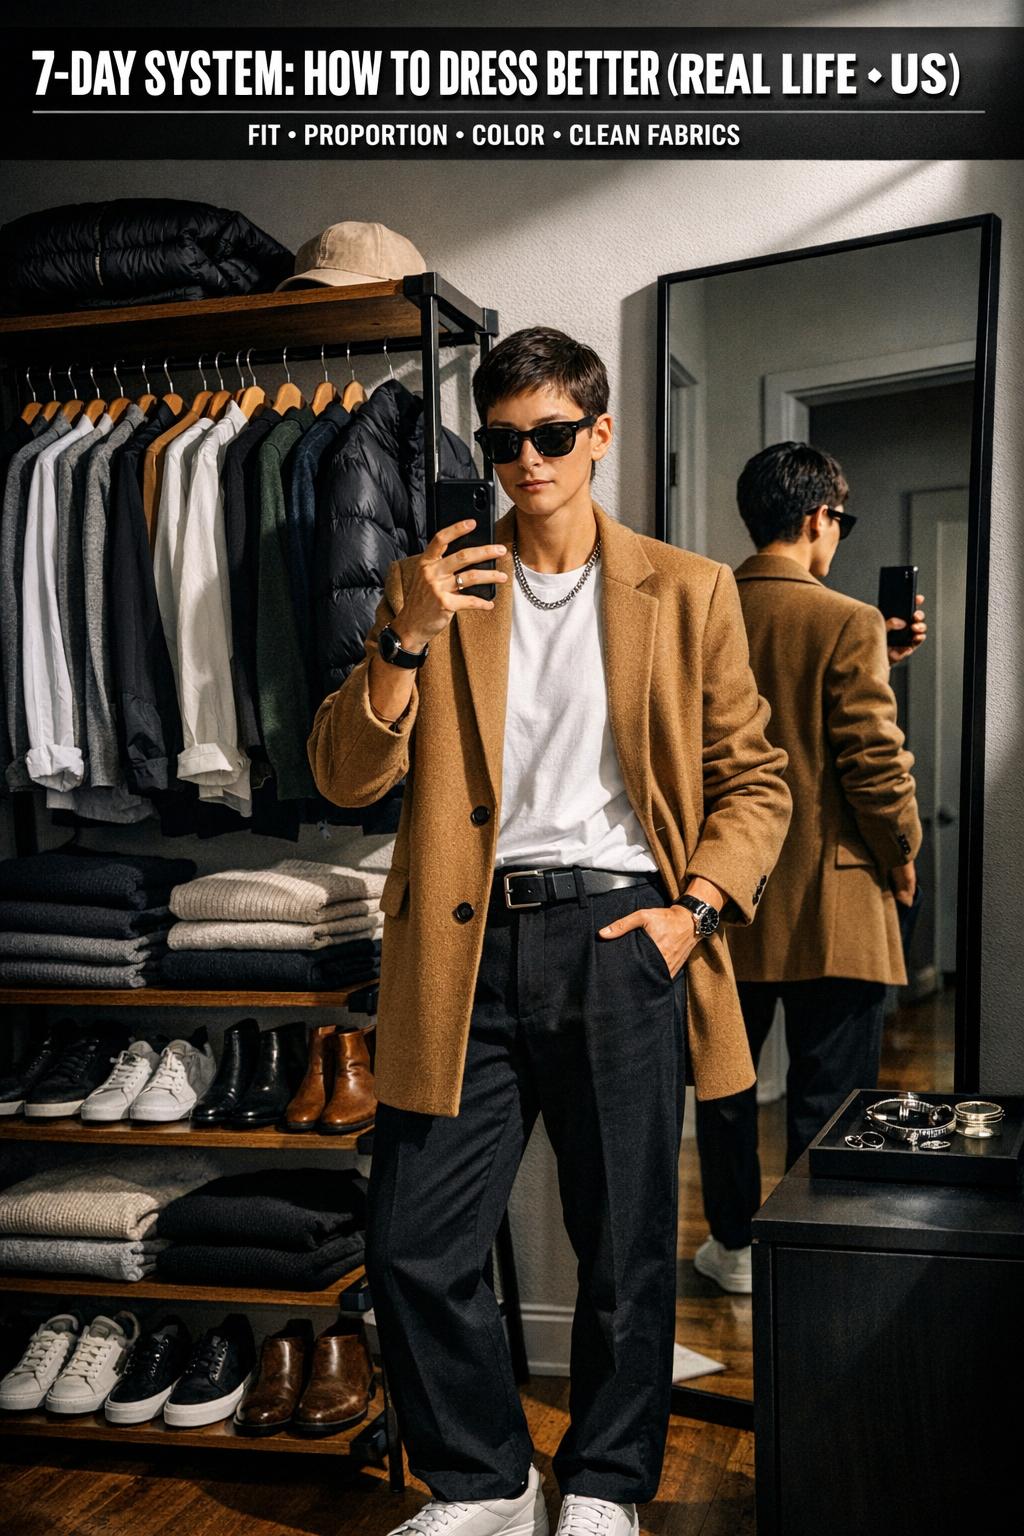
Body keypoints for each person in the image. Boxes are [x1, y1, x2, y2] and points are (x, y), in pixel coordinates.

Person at [307, 328, 791, 1536]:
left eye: (553, 437)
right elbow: (343, 774)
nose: (528, 461)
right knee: (413, 1237)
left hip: (620, 935)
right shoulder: (438, 586)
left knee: (624, 1249)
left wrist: (690, 914)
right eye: (505, 439)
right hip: (460, 952)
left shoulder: (687, 590)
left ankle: (608, 1487)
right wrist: (402, 633)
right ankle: (484, 1481)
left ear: (600, 435)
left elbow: (757, 784)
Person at [693, 441, 925, 1297]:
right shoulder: (848, 619)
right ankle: (815, 1256)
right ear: (818, 516)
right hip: (835, 898)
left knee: (725, 1086)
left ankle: (734, 1247)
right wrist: (903, 850)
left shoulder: (701, 610)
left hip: (730, 890)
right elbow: (871, 762)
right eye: (842, 516)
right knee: (830, 1099)